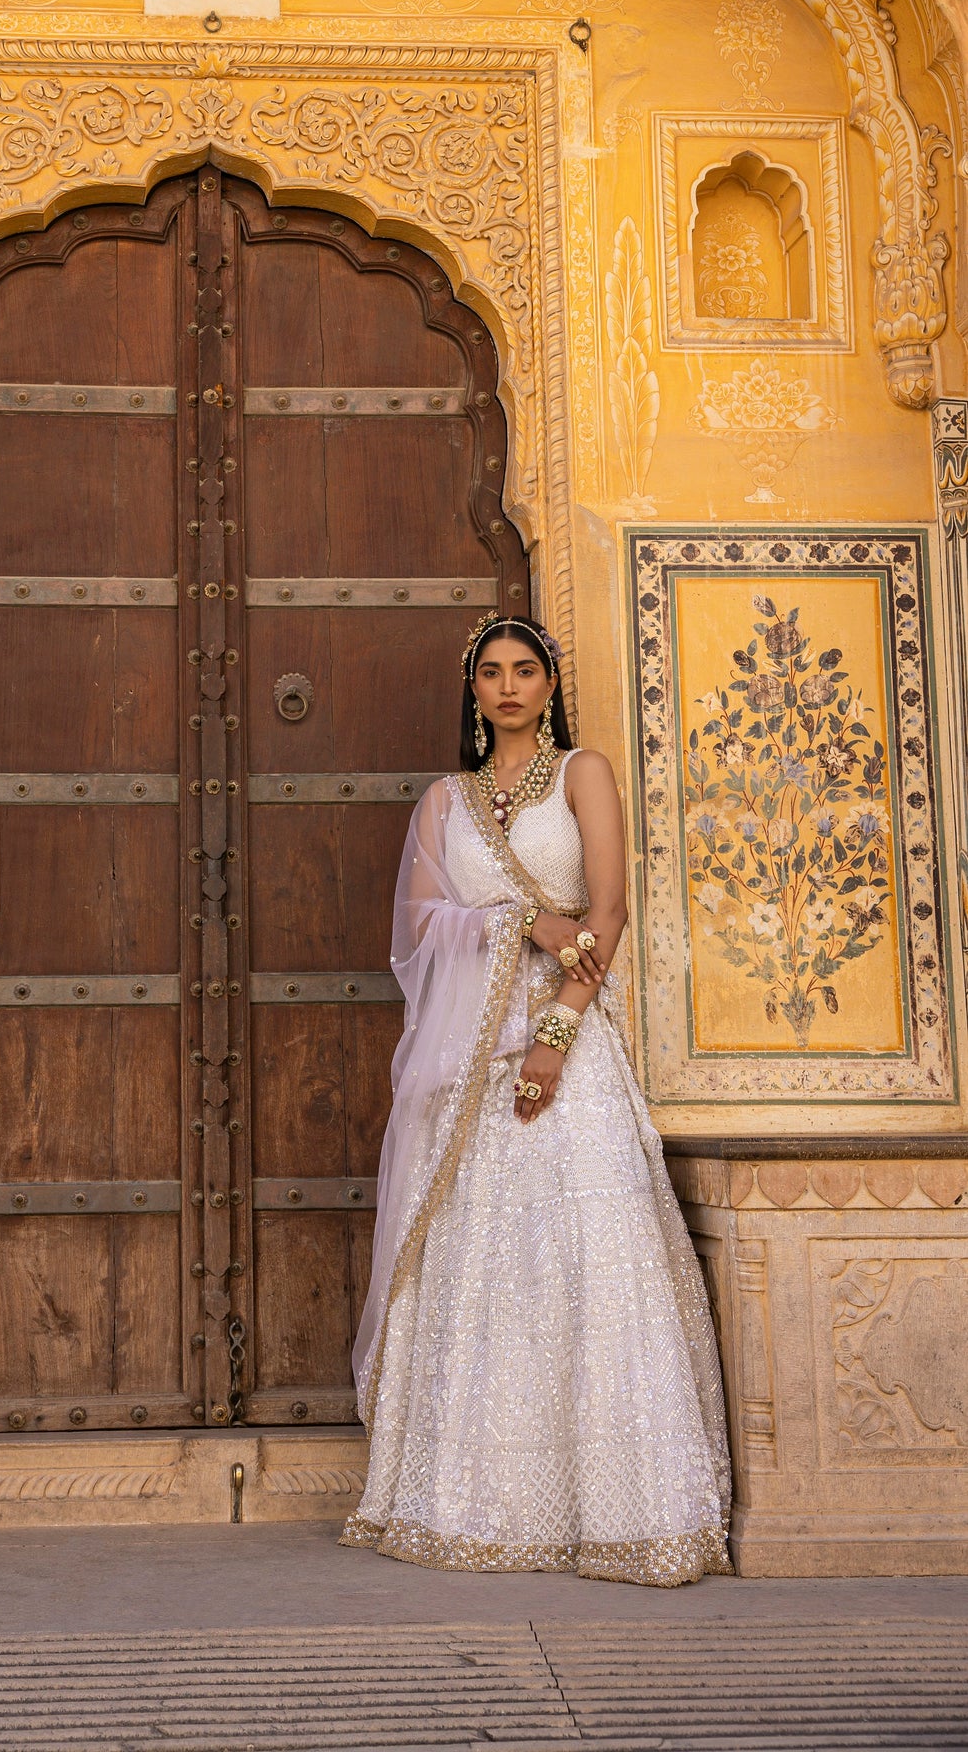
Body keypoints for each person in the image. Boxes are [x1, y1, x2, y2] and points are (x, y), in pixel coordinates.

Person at [343, 614, 732, 1585]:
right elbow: (419, 925)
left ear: (550, 684)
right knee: (479, 1262)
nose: (508, 685)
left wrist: (554, 1038)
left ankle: (624, 1511)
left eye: (525, 670)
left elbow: (606, 912)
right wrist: (519, 919)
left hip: (568, 1041)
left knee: (590, 1253)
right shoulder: (444, 801)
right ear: (472, 689)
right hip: (470, 1057)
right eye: (491, 671)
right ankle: (473, 1503)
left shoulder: (580, 774)